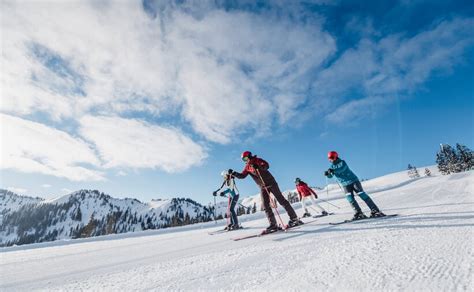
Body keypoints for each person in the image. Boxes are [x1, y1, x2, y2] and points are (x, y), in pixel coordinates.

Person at [231, 151, 302, 233]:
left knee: (281, 200)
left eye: (246, 158)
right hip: (263, 187)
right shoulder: (247, 167)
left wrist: (258, 166)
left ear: (250, 156)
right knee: (265, 205)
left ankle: (294, 219)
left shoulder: (257, 160)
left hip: (271, 183)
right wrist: (234, 173)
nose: (245, 160)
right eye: (243, 159)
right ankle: (273, 225)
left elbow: (266, 165)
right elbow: (242, 176)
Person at [324, 151, 385, 220]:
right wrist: (328, 174)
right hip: (345, 184)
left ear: (336, 156)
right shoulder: (331, 167)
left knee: (362, 194)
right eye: (329, 158)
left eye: (332, 157)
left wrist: (333, 170)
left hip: (353, 181)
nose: (331, 159)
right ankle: (359, 213)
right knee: (350, 199)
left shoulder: (342, 162)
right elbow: (330, 176)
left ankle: (375, 211)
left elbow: (342, 169)